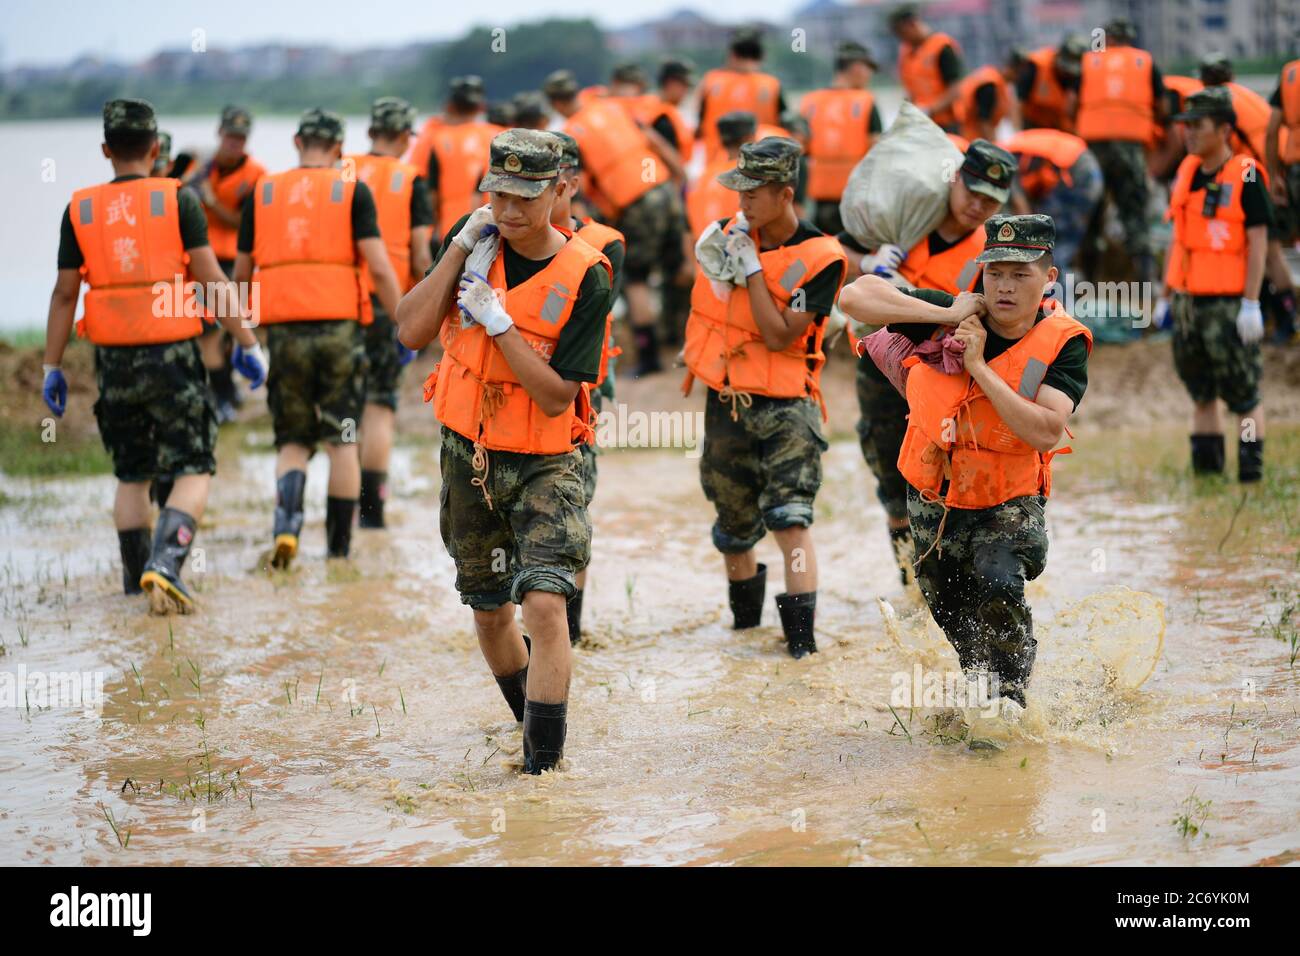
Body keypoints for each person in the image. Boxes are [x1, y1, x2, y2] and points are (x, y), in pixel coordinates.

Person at [395, 130, 612, 773]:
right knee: (491, 613)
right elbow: (410, 330)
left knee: (545, 602)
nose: (510, 210)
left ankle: (545, 771)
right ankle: (531, 729)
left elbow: (554, 397)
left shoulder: (588, 276)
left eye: (526, 196)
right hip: (471, 457)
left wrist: (501, 324)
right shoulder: (472, 246)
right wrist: (459, 248)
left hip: (546, 460)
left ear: (560, 190)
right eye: (499, 195)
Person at [839, 214, 1092, 716]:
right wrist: (947, 311)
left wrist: (978, 367)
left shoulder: (1063, 342)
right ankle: (981, 686)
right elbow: (854, 297)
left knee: (998, 581)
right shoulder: (952, 312)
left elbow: (1044, 429)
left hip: (1009, 495)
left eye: (1021, 274)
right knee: (948, 604)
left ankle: (1012, 703)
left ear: (1049, 278)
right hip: (936, 494)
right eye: (995, 272)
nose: (1004, 286)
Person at [42, 98, 267, 613]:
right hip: (171, 357)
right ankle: (165, 565)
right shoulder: (178, 199)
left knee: (131, 474)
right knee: (192, 465)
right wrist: (247, 343)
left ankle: (132, 586)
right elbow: (211, 280)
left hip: (113, 363)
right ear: (154, 146)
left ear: (105, 149)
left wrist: (52, 367)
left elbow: (62, 295)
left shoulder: (80, 208)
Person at [682, 137, 848, 658]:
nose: (744, 203)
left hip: (787, 411)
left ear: (786, 193)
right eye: (740, 192)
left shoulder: (823, 258)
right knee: (733, 528)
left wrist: (752, 269)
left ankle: (802, 647)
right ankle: (745, 635)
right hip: (728, 404)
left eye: (755, 193)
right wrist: (728, 256)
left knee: (790, 519)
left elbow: (780, 334)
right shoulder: (734, 236)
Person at [838, 140, 1016, 583]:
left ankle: (945, 576)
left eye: (990, 201)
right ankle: (909, 581)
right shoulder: (907, 217)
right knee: (887, 469)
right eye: (972, 192)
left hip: (941, 377)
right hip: (881, 366)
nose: (977, 206)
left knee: (941, 475)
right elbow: (831, 251)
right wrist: (870, 260)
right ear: (954, 179)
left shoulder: (989, 253)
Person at [233, 109, 402, 567]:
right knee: (342, 438)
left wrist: (240, 335)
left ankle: (286, 528)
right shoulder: (352, 191)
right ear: (339, 149)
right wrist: (403, 320)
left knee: (292, 439)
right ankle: (338, 552)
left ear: (296, 141)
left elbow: (241, 272)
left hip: (283, 332)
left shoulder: (262, 192)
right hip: (340, 331)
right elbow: (380, 267)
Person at [546, 68, 686, 378]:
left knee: (636, 280)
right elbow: (655, 142)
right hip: (662, 186)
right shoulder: (611, 107)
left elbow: (577, 185)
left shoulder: (571, 135)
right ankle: (686, 341)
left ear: (555, 104)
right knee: (678, 267)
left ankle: (649, 355)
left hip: (635, 202)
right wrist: (679, 175)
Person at [1163, 88, 1270, 483]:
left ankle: (1249, 475)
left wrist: (1252, 302)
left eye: (1198, 125)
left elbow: (1259, 240)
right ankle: (1208, 475)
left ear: (1224, 128)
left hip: (1231, 303)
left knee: (1243, 394)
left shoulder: (1246, 173)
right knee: (1201, 392)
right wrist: (1166, 295)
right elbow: (1179, 238)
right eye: (1186, 125)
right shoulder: (1187, 171)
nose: (1189, 133)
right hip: (1189, 301)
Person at [547, 132, 627, 646]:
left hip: (578, 390)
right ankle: (535, 624)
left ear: (570, 185)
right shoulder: (495, 236)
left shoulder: (604, 244)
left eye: (546, 185)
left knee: (573, 500)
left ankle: (569, 635)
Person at [345, 97, 436, 528]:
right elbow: (421, 253)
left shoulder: (340, 171)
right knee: (380, 406)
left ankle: (338, 514)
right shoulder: (410, 180)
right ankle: (372, 512)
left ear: (369, 133)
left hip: (340, 303)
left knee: (346, 405)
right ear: (404, 137)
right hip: (388, 303)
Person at [1199, 52, 1296, 343]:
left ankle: (1286, 321)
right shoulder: (1245, 94)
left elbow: (1223, 153)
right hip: (1276, 168)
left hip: (1257, 175)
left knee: (1269, 252)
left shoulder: (1215, 103)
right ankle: (1275, 318)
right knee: (1266, 250)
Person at [1074, 17, 1165, 285]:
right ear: (1129, 38)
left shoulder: (1089, 62)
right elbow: (1162, 107)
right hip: (1130, 149)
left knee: (1090, 214)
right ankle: (1145, 281)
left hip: (1093, 151)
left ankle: (1088, 280)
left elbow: (1072, 104)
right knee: (1134, 215)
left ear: (1108, 39)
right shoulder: (1144, 62)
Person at [192, 105, 267, 423]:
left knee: (232, 329)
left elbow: (244, 223)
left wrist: (211, 201)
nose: (235, 143)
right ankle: (222, 397)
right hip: (202, 261)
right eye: (230, 136)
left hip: (236, 260)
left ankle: (228, 392)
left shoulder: (256, 175)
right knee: (208, 332)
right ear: (219, 134)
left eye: (241, 137)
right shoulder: (198, 167)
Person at [799, 41, 883, 236]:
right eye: (868, 68)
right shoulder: (865, 101)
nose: (869, 75)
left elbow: (801, 149)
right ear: (856, 67)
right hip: (856, 198)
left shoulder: (810, 102)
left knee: (824, 254)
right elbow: (877, 150)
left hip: (818, 197)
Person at [1001, 127, 1103, 274]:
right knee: (1059, 240)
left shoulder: (1006, 159)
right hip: (1086, 168)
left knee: (1047, 240)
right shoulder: (1015, 146)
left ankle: (1054, 287)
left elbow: (1021, 207)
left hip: (1077, 175)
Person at [426, 77, 503, 242]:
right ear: (481, 107)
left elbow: (432, 194)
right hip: (498, 224)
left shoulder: (439, 139)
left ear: (450, 106)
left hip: (453, 229)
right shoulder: (501, 136)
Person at [697, 26, 784, 165]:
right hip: (761, 166)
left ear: (731, 54)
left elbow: (699, 126)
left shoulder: (710, 81)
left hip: (718, 165)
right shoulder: (771, 85)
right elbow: (783, 126)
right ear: (761, 56)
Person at [1266, 49, 1300, 343]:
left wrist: (1274, 174)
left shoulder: (1291, 74)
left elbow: (1271, 130)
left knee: (1273, 245)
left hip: (1294, 171)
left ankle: (1289, 321)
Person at [889, 3, 964, 131]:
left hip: (946, 124)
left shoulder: (942, 47)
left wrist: (929, 110)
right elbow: (910, 90)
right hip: (920, 124)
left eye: (902, 33)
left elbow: (955, 90)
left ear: (912, 24)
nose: (902, 39)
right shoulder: (906, 51)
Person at [687, 111, 756, 237]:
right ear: (749, 137)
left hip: (703, 249)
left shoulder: (704, 175)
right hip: (740, 249)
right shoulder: (754, 174)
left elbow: (689, 229)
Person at [1015, 36, 1085, 132]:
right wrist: (1018, 132)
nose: (1066, 73)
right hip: (1032, 124)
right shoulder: (1037, 66)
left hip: (1059, 128)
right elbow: (1018, 102)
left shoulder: (1078, 76)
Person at [953, 55, 1015, 144]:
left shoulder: (991, 76)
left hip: (965, 130)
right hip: (970, 137)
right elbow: (984, 119)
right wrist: (993, 146)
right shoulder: (990, 86)